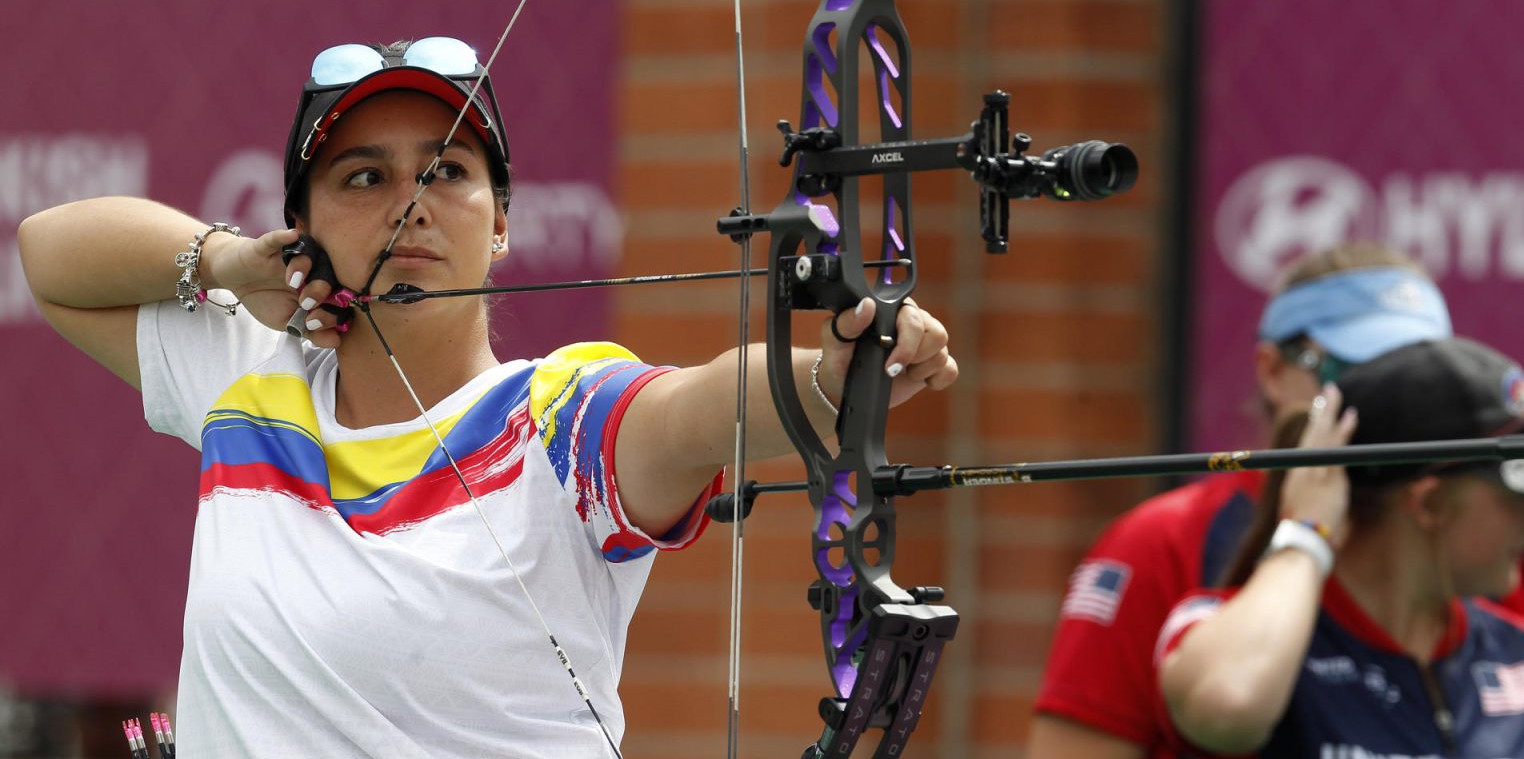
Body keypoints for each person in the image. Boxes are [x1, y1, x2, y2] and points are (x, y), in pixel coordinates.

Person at [16, 37, 959, 758]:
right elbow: (49, 253)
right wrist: (224, 260)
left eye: (448, 172)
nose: (409, 203)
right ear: (298, 226)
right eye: (362, 177)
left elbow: (706, 404)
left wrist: (834, 375)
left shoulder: (558, 420)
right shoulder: (246, 375)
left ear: (502, 220)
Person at [1028, 244, 1453, 757]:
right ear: (1272, 371)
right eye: (1356, 368)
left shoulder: (1475, 535)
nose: (1391, 398)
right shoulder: (1162, 540)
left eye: (1418, 377)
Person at [1156, 337, 1524, 756]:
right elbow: (1228, 705)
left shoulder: (1519, 650)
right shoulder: (1217, 628)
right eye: (1520, 495)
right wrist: (1305, 532)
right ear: (1428, 503)